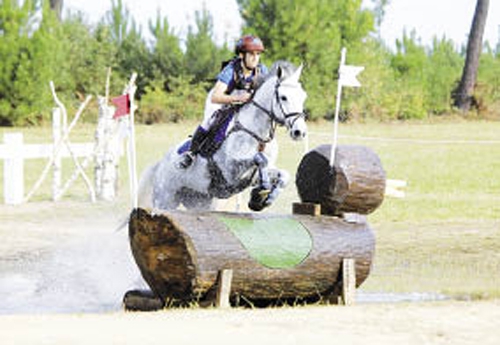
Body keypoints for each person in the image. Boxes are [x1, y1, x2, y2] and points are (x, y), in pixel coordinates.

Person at [177, 34, 269, 169]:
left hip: (243, 104)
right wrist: (237, 98)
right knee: (210, 120)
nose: (255, 58)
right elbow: (216, 97)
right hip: (220, 100)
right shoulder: (231, 70)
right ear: (242, 55)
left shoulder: (262, 70)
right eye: (251, 54)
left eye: (258, 54)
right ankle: (191, 153)